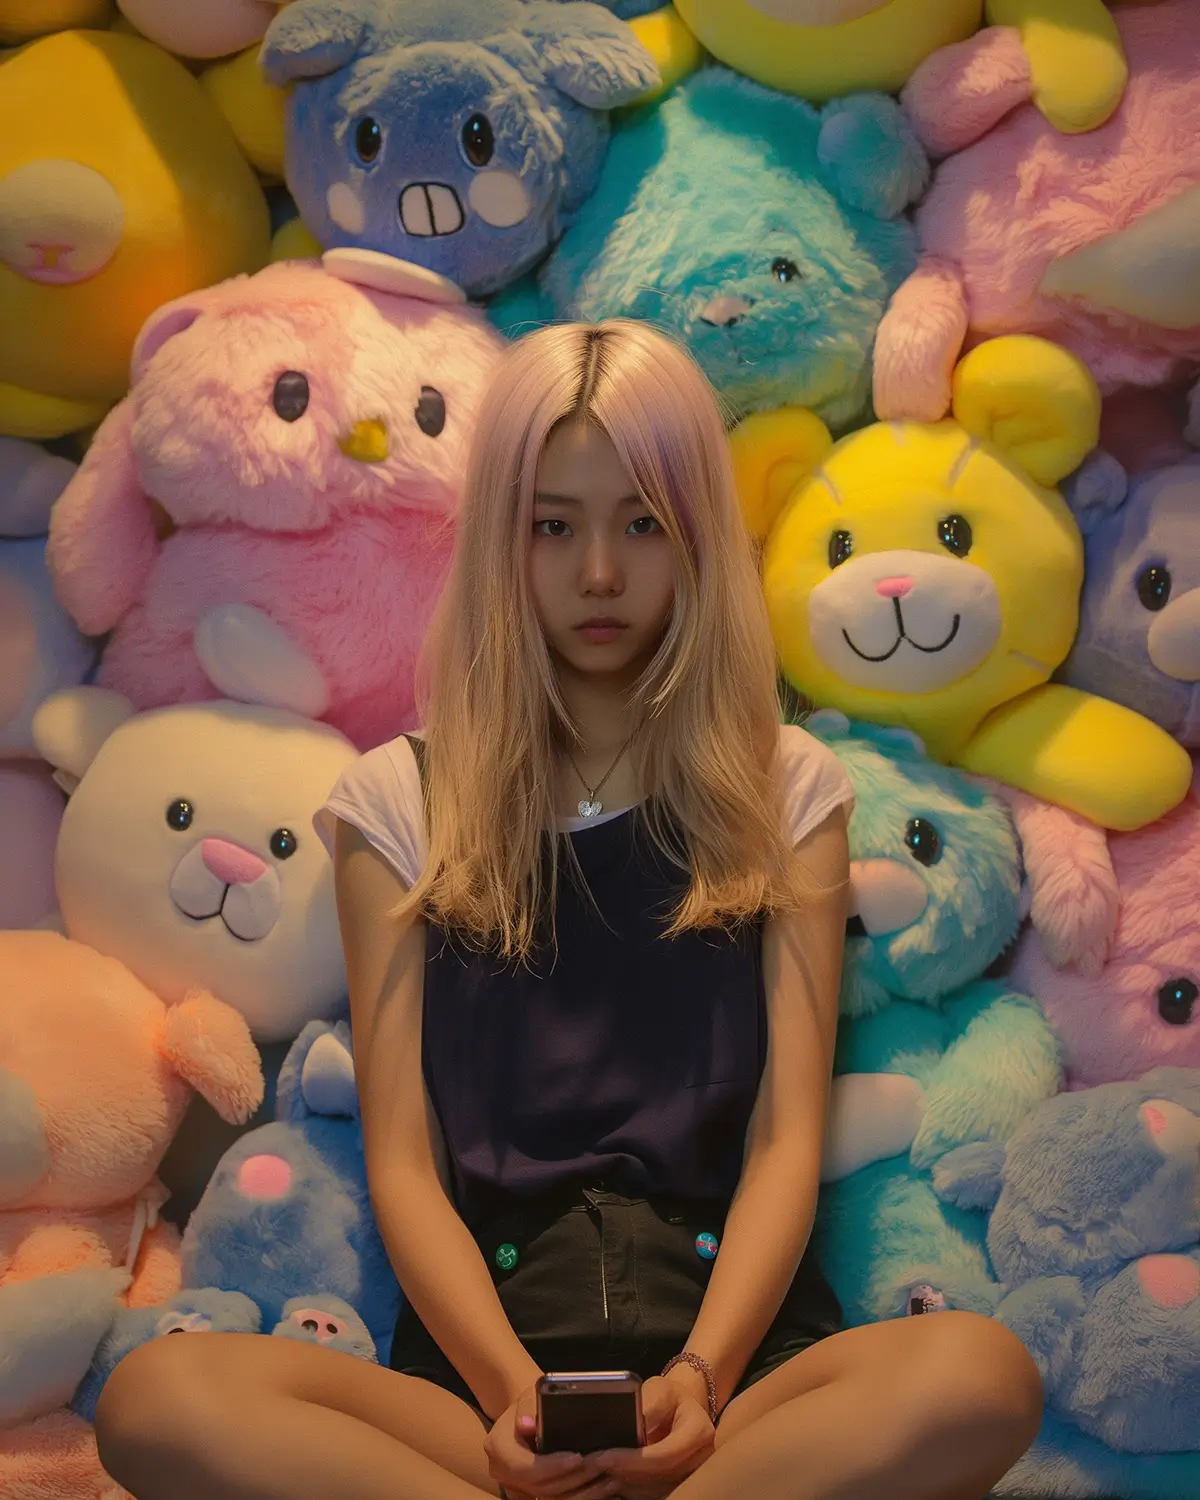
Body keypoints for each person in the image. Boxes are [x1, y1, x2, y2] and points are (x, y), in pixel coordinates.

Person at [95, 320, 1042, 1500]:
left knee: (980, 1373)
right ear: (502, 537)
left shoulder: (788, 786)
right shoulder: (394, 800)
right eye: (554, 526)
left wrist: (699, 1380)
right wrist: (517, 1403)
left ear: (697, 533)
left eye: (641, 523)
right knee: (158, 1397)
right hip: (484, 1393)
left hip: (733, 1391)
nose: (599, 571)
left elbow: (784, 1143)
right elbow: (404, 1166)